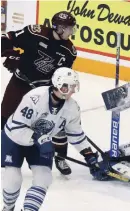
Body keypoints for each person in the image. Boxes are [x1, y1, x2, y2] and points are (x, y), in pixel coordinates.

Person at [1, 67, 108, 211]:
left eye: (74, 87)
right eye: (70, 87)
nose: (73, 91)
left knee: (44, 178)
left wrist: (89, 156)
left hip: (40, 143)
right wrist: (39, 138)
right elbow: (17, 128)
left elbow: (76, 134)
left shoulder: (72, 108)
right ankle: (8, 208)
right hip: (14, 139)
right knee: (13, 179)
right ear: (61, 86)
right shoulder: (34, 97)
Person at [1, 11, 77, 175]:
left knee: (56, 122)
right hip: (20, 82)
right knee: (5, 115)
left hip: (43, 90)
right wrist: (10, 54)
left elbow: (62, 75)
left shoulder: (69, 51)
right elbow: (6, 38)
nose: (71, 32)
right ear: (58, 28)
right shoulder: (35, 33)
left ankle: (60, 157)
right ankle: (4, 150)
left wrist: (55, 91)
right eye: (69, 28)